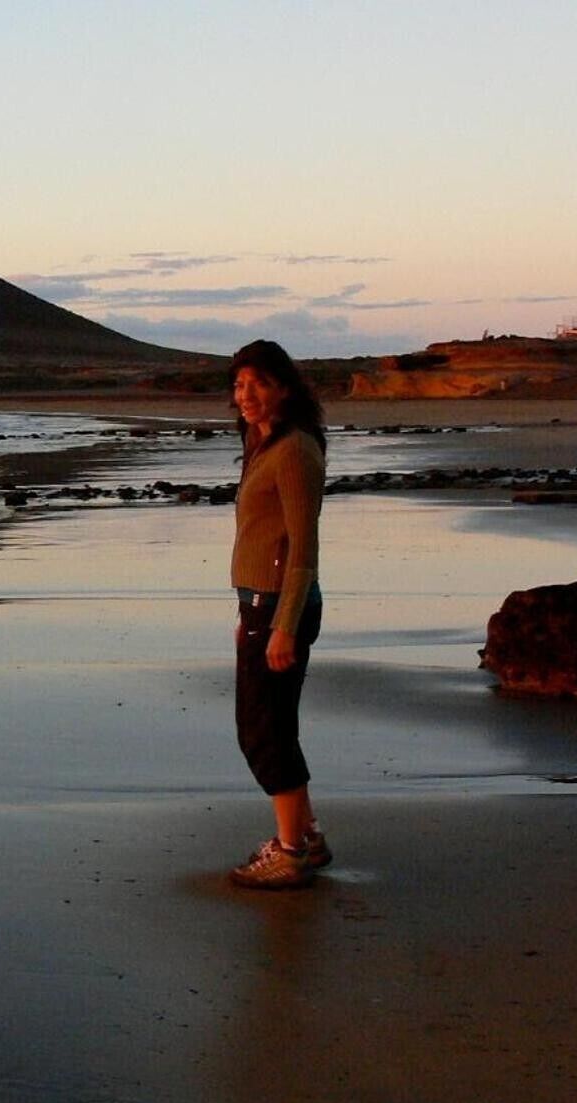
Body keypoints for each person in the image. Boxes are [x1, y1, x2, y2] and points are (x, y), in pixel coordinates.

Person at [225, 339, 330, 890]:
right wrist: (249, 611)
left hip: (281, 611)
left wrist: (283, 623)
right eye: (240, 385)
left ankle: (290, 851)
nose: (247, 395)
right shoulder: (260, 443)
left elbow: (303, 550)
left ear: (285, 388)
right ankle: (305, 837)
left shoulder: (294, 452)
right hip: (260, 606)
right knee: (273, 727)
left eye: (259, 384)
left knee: (263, 735)